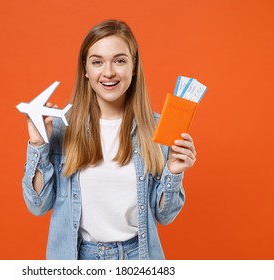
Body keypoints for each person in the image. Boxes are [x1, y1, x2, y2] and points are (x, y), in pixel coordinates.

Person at [21, 19, 196, 260]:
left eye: (120, 60)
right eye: (97, 62)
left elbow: (164, 215)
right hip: (78, 258)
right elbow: (38, 206)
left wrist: (174, 171)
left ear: (134, 67)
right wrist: (39, 145)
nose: (109, 72)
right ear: (85, 69)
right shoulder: (61, 127)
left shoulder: (157, 129)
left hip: (139, 257)